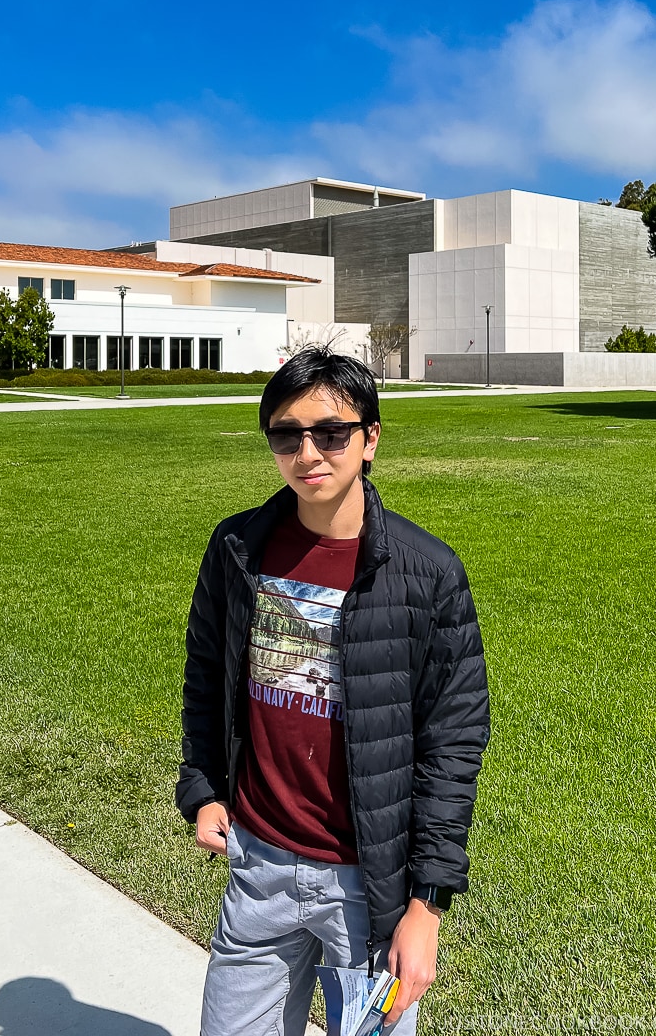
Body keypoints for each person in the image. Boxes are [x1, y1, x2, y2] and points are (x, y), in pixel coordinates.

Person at [176, 347, 490, 1036]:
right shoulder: (237, 548)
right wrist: (203, 790)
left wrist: (426, 905)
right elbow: (207, 676)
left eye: (332, 432)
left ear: (370, 438)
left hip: (369, 888)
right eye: (287, 434)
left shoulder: (427, 574)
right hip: (258, 864)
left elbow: (454, 740)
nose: (308, 452)